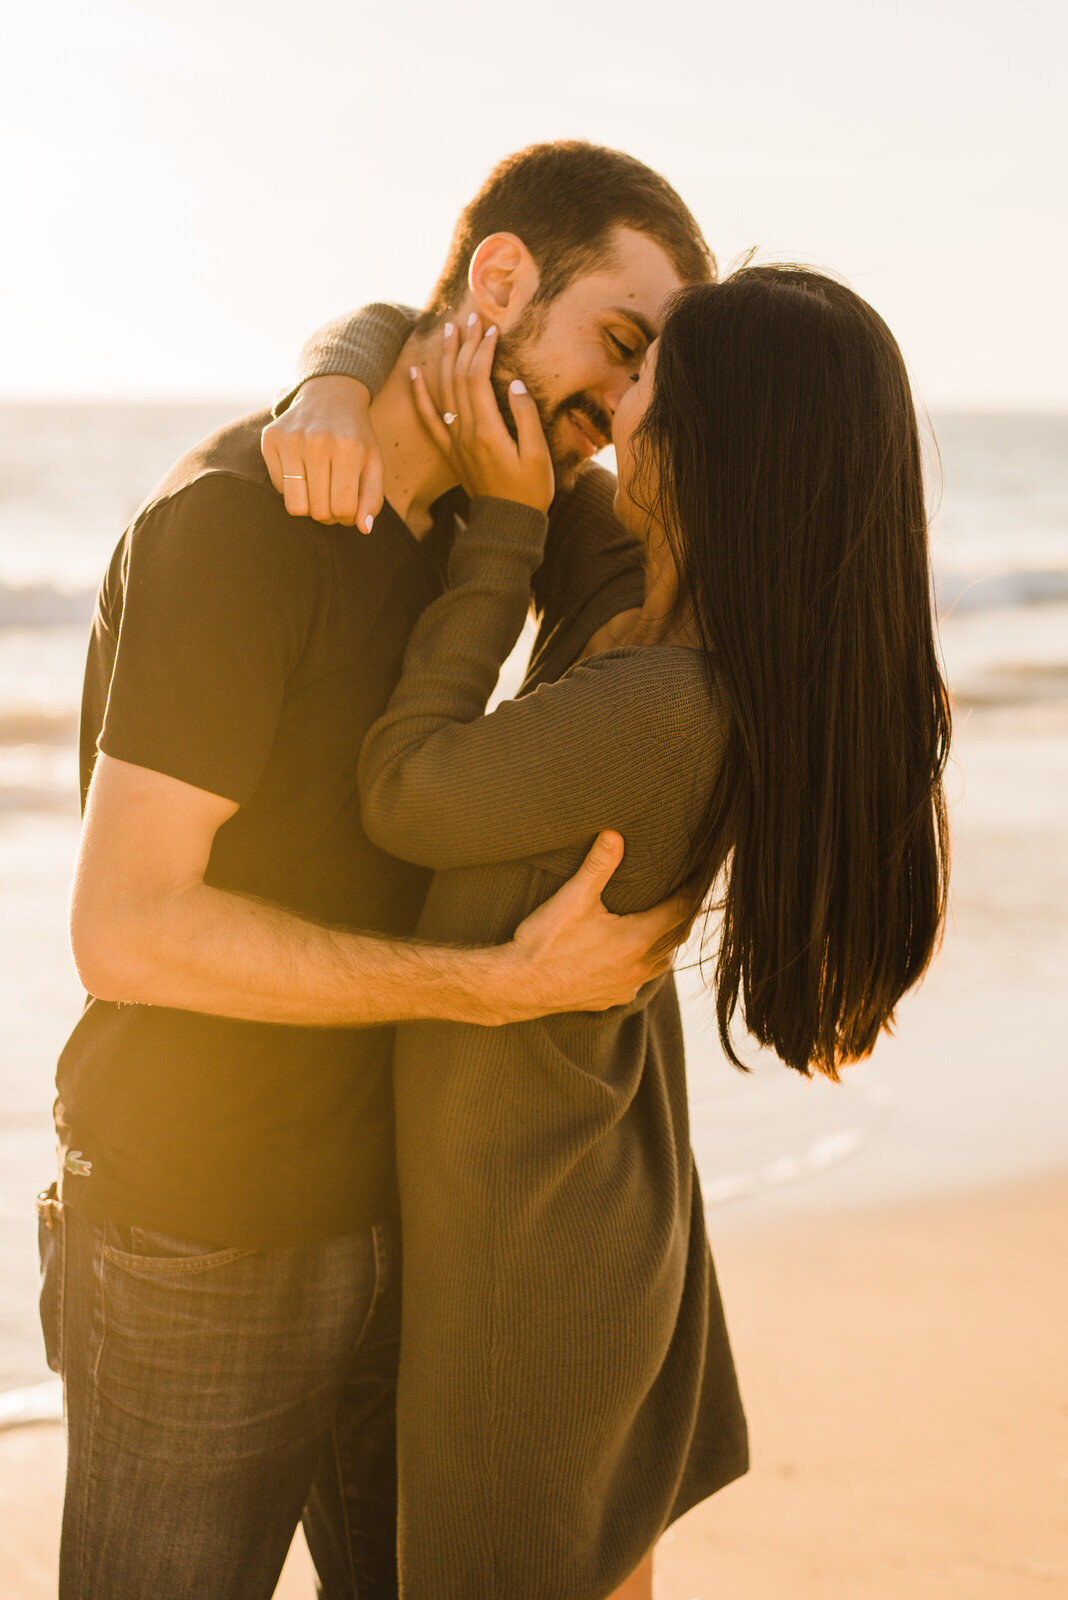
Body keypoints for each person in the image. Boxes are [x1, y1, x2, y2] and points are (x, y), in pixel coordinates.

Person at [41, 141, 712, 1599]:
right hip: (195, 1229)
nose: (627, 400)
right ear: (501, 278)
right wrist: (488, 987)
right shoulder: (233, 522)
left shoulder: (506, 510)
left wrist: (347, 361)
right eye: (620, 339)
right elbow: (126, 927)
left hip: (415, 1228)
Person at [268, 269, 951, 1598]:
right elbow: (461, 379)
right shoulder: (666, 613)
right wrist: (344, 375)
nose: (614, 408)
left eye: (647, 377)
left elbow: (402, 788)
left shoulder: (663, 701)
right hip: (593, 1200)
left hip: (538, 1260)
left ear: (708, 442)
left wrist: (497, 541)